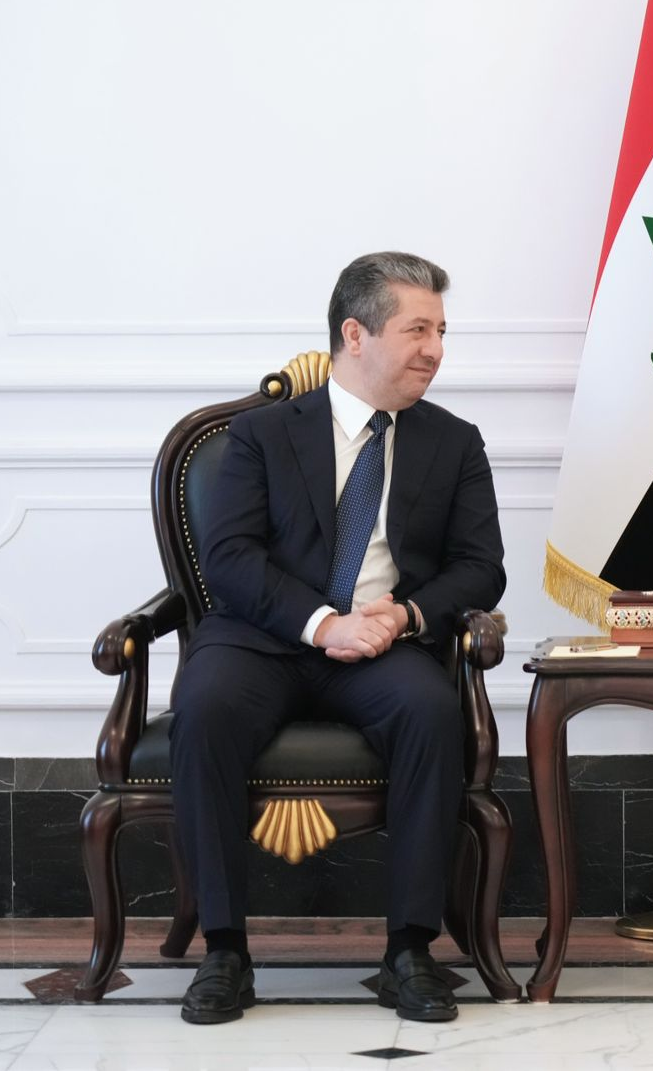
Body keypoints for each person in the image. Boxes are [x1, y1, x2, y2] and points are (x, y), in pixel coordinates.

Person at [169, 251, 506, 1024]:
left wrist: (404, 615)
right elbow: (230, 559)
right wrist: (324, 624)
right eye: (417, 330)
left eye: (441, 331)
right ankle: (225, 952)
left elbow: (480, 568)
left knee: (431, 712)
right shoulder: (260, 435)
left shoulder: (453, 442)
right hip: (263, 639)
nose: (436, 349)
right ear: (356, 335)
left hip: (383, 645)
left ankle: (410, 951)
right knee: (206, 709)